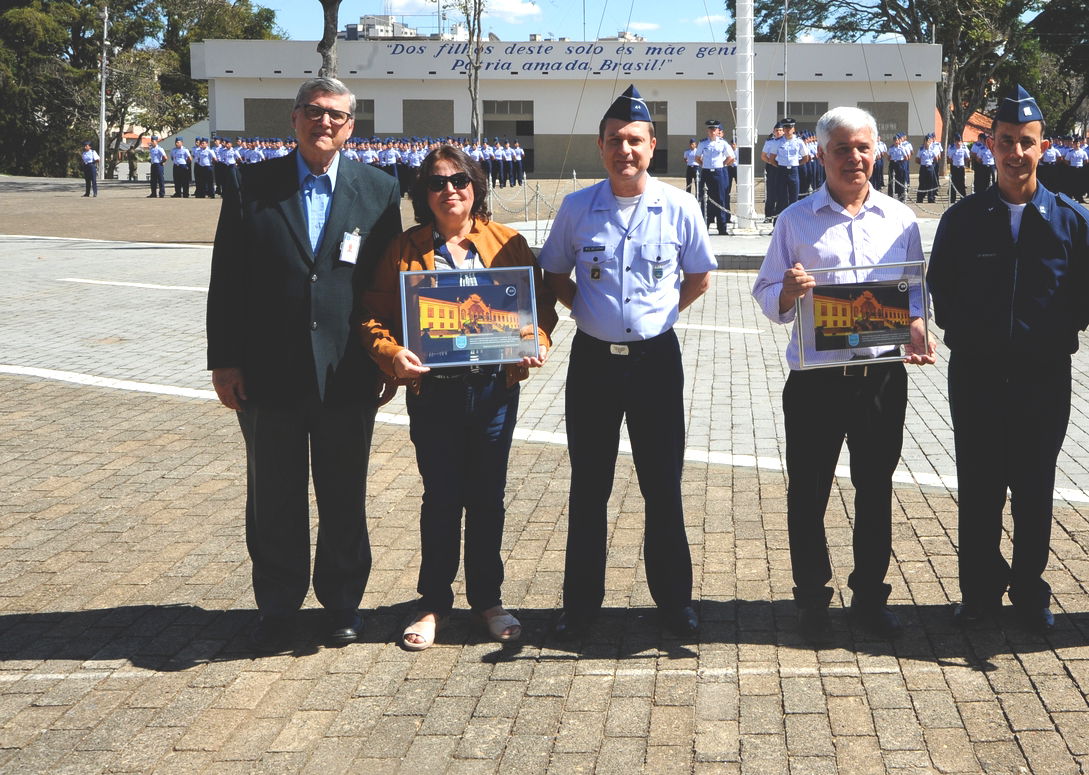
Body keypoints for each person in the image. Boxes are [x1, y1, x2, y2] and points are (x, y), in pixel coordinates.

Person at [207, 77, 404, 654]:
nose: (325, 123)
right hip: (269, 372)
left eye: (337, 116)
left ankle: (342, 602)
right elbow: (228, 281)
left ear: (350, 126)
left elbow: (385, 286)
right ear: (294, 119)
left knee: (344, 493)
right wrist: (225, 360)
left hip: (348, 369)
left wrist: (386, 356)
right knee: (274, 495)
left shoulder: (380, 190)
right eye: (314, 112)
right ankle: (277, 603)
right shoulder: (250, 183)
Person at [359, 145, 558, 651]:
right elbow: (372, 316)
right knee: (442, 500)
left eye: (460, 181)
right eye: (437, 182)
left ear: (476, 187)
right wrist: (391, 354)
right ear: (423, 193)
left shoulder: (508, 243)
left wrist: (536, 342)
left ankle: (487, 601)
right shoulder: (404, 249)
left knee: (488, 499)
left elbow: (540, 310)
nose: (449, 190)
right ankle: (433, 603)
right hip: (434, 393)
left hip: (493, 391)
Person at [538, 85, 717, 641]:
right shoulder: (576, 207)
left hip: (655, 362)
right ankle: (581, 606)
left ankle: (674, 603)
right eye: (615, 140)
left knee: (662, 484)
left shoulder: (680, 206)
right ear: (600, 146)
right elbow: (553, 276)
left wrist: (657, 316)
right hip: (592, 362)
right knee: (589, 486)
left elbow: (699, 276)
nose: (625, 150)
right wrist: (590, 311)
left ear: (652, 145)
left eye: (634, 140)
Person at [753, 107, 935, 644]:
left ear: (875, 152)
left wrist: (920, 324)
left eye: (862, 148)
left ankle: (870, 599)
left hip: (880, 376)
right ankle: (811, 600)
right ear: (821, 154)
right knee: (808, 494)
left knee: (875, 489)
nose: (854, 159)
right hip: (816, 378)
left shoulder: (901, 220)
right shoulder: (794, 220)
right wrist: (786, 291)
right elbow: (765, 293)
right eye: (842, 149)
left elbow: (915, 292)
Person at [927, 84, 1089, 632]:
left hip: (1042, 378)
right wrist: (978, 340)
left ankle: (1029, 590)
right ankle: (978, 591)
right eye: (1005, 142)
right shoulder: (961, 221)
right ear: (989, 147)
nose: (1015, 153)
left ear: (1043, 146)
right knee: (978, 489)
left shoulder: (1074, 222)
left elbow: (1081, 299)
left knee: (1033, 491)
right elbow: (943, 292)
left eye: (1026, 142)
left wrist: (1037, 343)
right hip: (976, 376)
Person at [696, 119, 735, 235]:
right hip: (707, 173)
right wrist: (705, 166)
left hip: (719, 172)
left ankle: (722, 227)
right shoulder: (703, 143)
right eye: (710, 130)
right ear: (708, 131)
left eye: (714, 130)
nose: (712, 132)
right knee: (705, 199)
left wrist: (723, 164)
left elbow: (731, 157)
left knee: (721, 199)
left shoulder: (723, 143)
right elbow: (697, 158)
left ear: (718, 131)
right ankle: (705, 226)